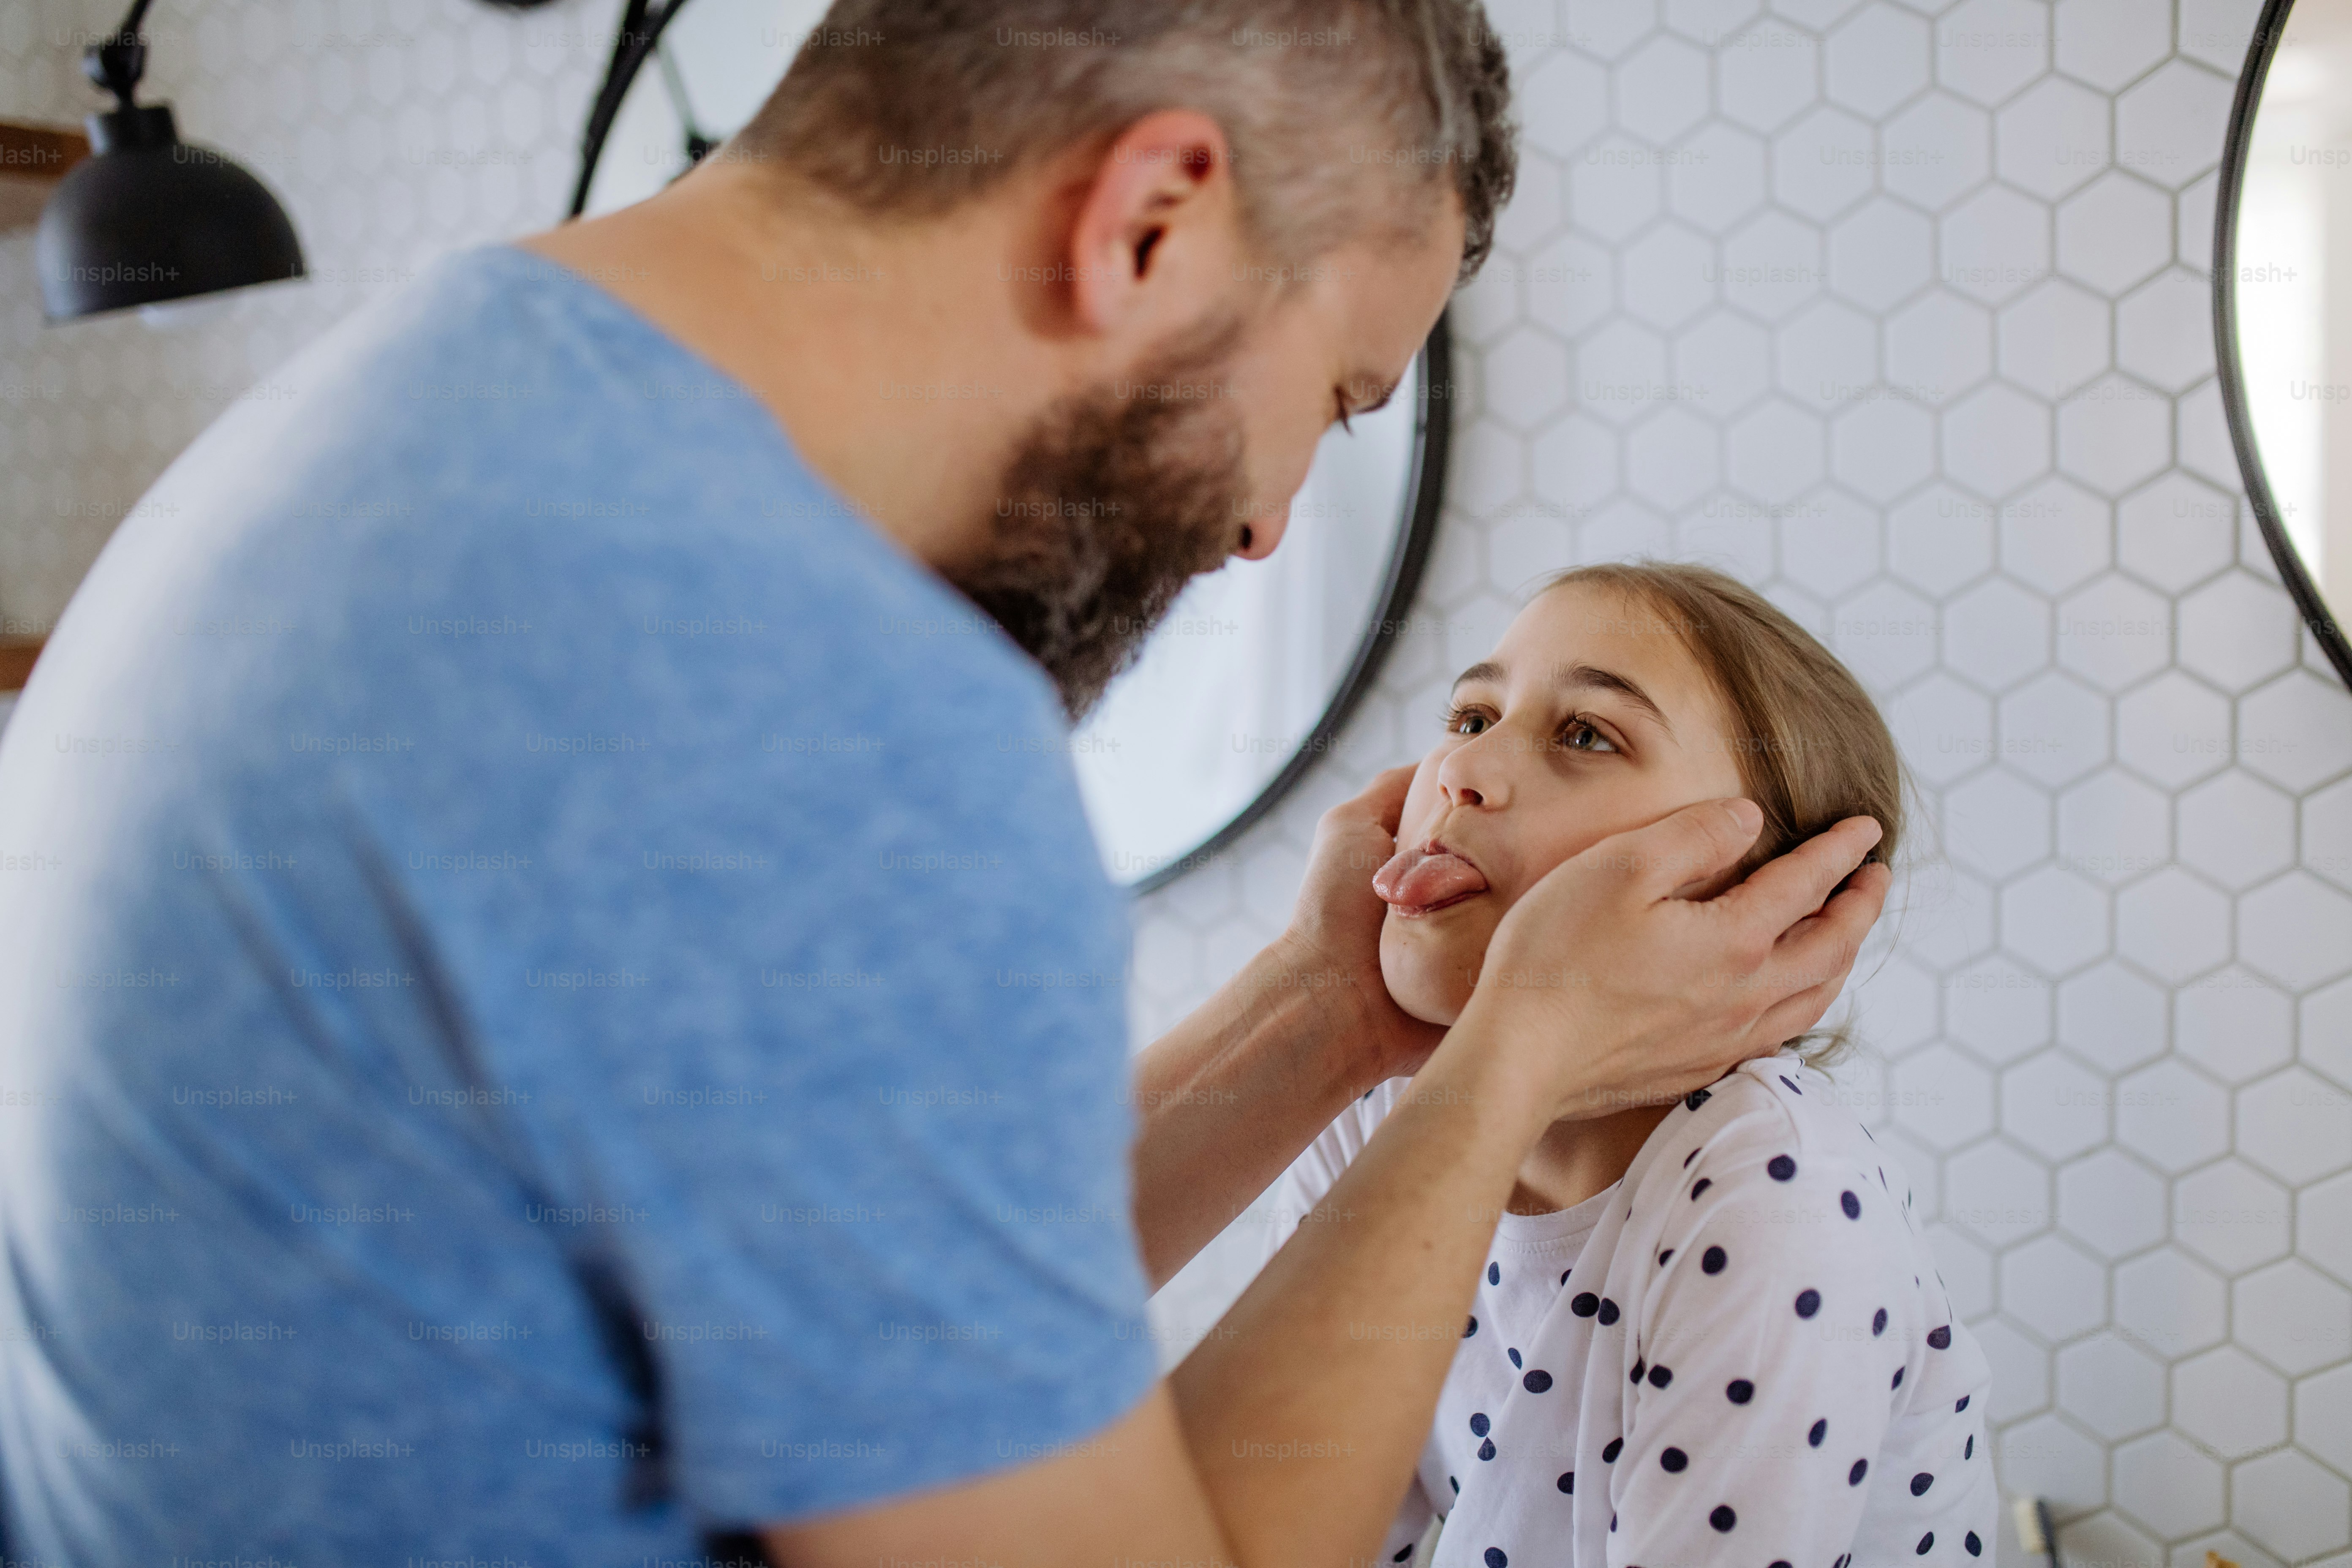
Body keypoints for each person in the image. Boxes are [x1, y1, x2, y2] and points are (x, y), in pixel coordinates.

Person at [0, 6, 1891, 1566]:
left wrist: (1326, 1023)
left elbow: (824, 1274)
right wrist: (1507, 1071)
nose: (1263, 525)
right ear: (1152, 218)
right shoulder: (809, 714)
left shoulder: (375, 424)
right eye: (1328, 398)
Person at [1257, 563, 1995, 1566]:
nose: (1462, 773)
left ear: (1765, 897)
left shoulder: (1772, 1189)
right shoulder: (1373, 1111)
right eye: (1472, 716)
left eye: (1587, 735)